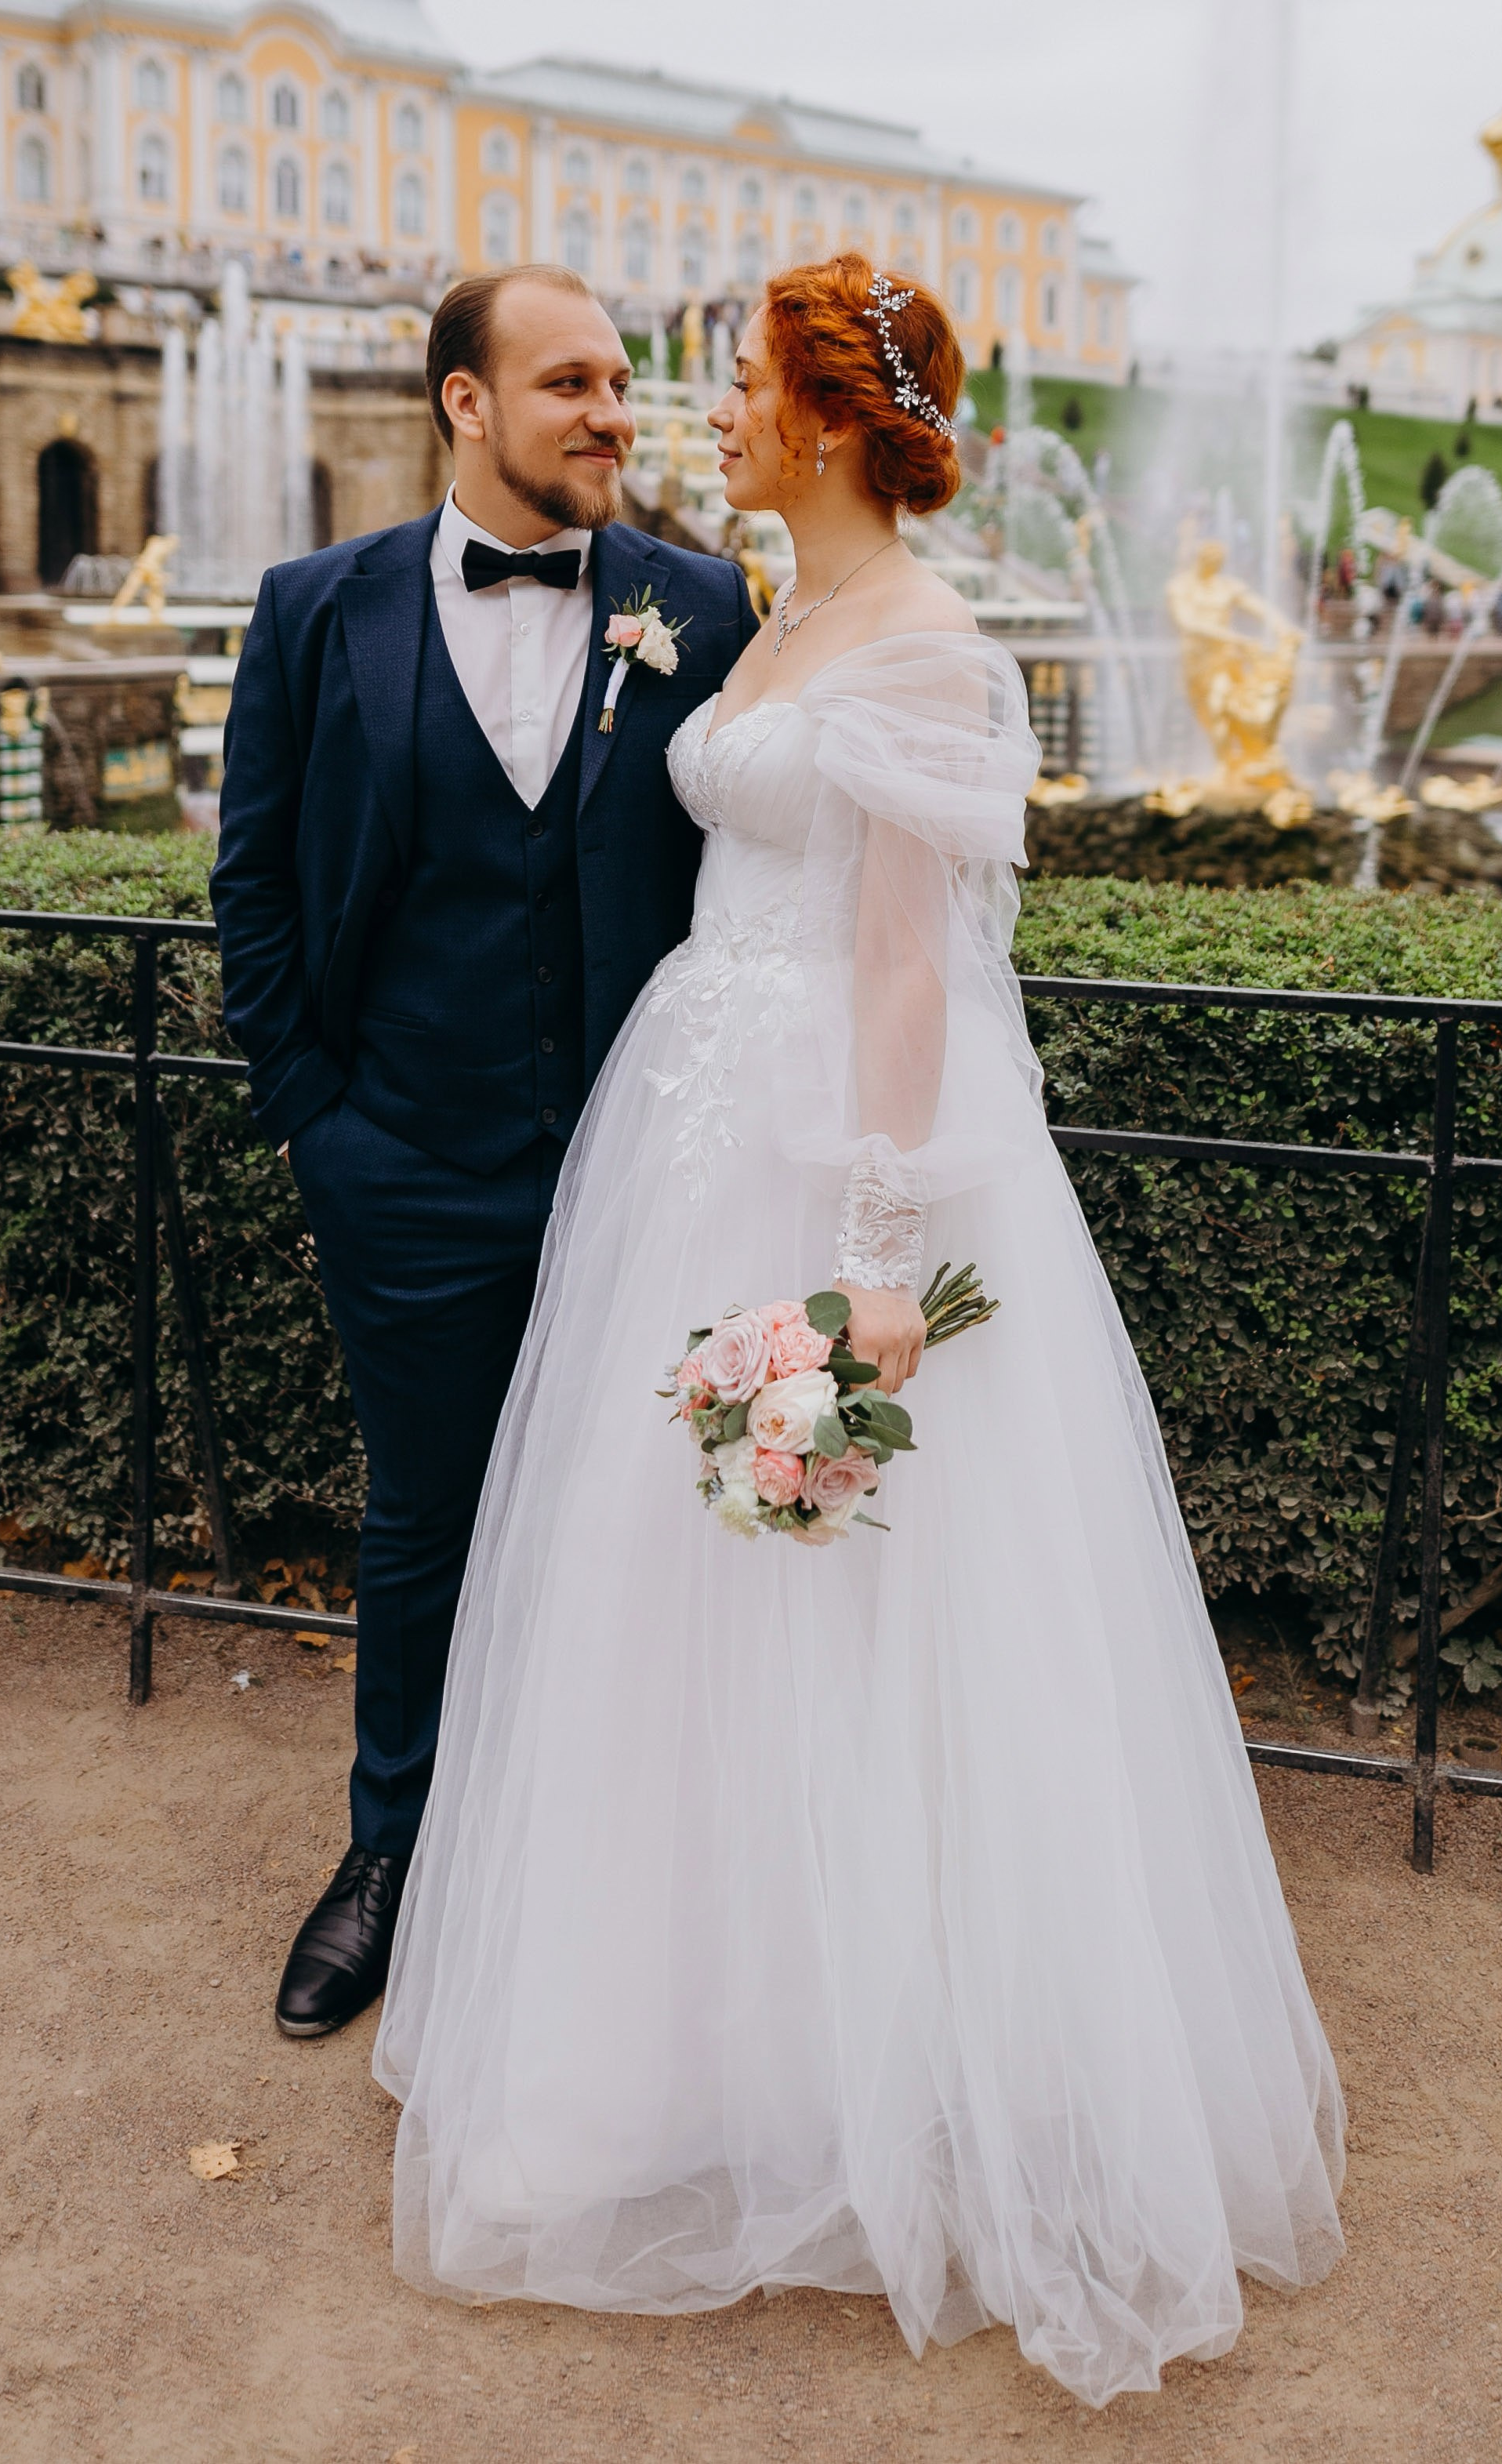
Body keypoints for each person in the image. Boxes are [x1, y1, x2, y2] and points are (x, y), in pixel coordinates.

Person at [376, 254, 1344, 2409]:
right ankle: (692, 2048)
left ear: (822, 417)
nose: (707, 410)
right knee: (668, 1598)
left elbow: (909, 965)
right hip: (688, 1109)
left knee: (873, 1614)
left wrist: (885, 1260)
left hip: (829, 1147)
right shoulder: (773, 613)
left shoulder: (918, 644)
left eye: (736, 384)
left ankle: (884, 2086)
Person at [211, 265, 757, 2040]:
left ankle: (617, 1901)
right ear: (464, 403)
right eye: (573, 384)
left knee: (639, 1536)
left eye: (620, 384)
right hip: (406, 1168)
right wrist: (318, 1122)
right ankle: (391, 1862)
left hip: (648, 1179)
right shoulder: (315, 609)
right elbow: (256, 879)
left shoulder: (704, 606)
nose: (614, 413)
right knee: (422, 1523)